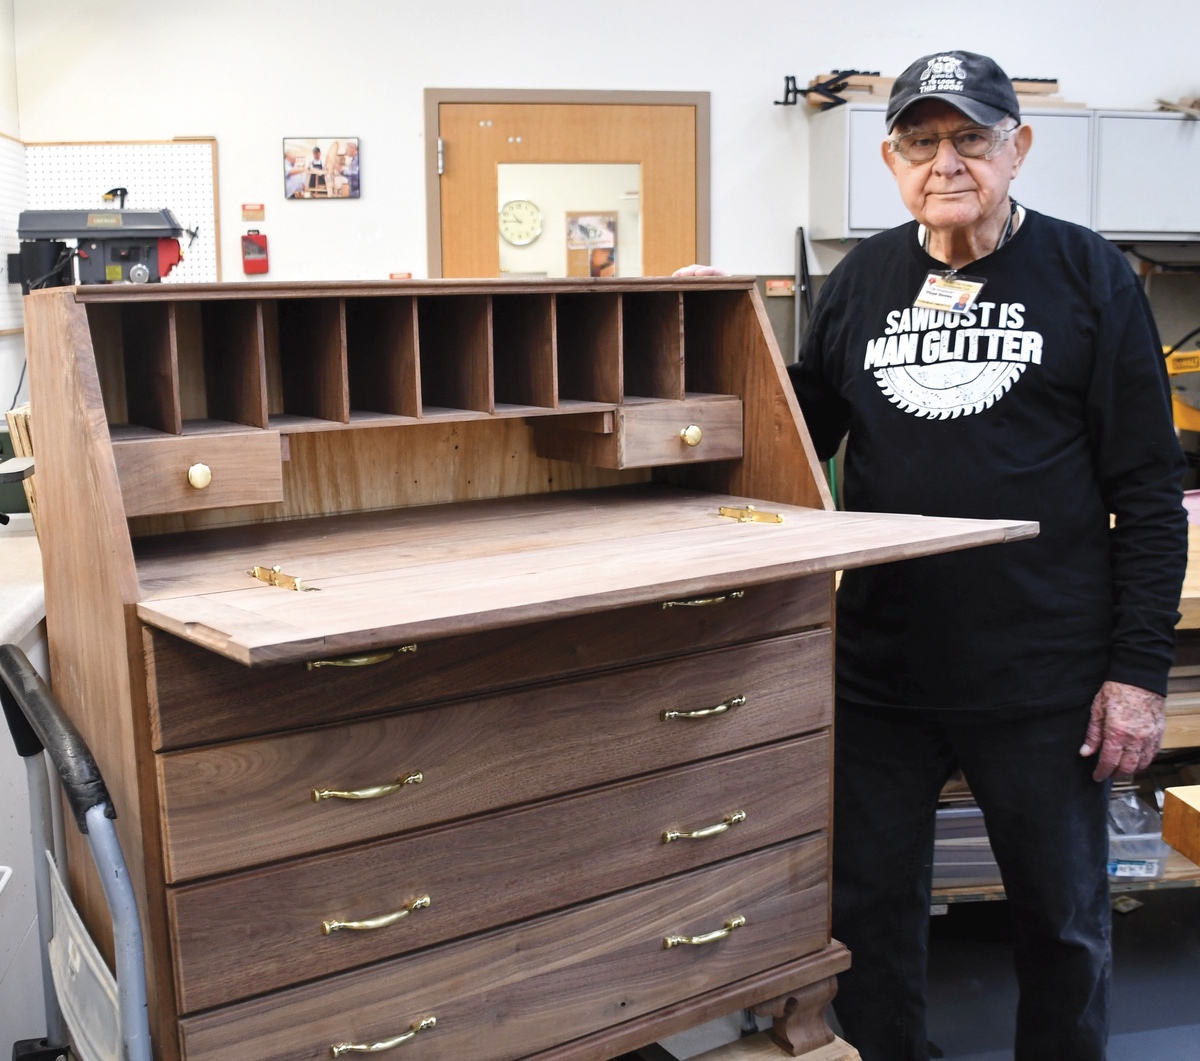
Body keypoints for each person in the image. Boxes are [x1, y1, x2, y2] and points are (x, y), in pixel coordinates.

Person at [678, 50, 1187, 1061]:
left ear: (1017, 147)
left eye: (969, 138)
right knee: (867, 917)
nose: (944, 161)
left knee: (1062, 914)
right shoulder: (864, 280)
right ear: (890, 157)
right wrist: (709, 333)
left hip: (1043, 670)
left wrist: (1136, 672)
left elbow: (1147, 492)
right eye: (920, 141)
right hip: (883, 665)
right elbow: (796, 431)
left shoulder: (1090, 277)